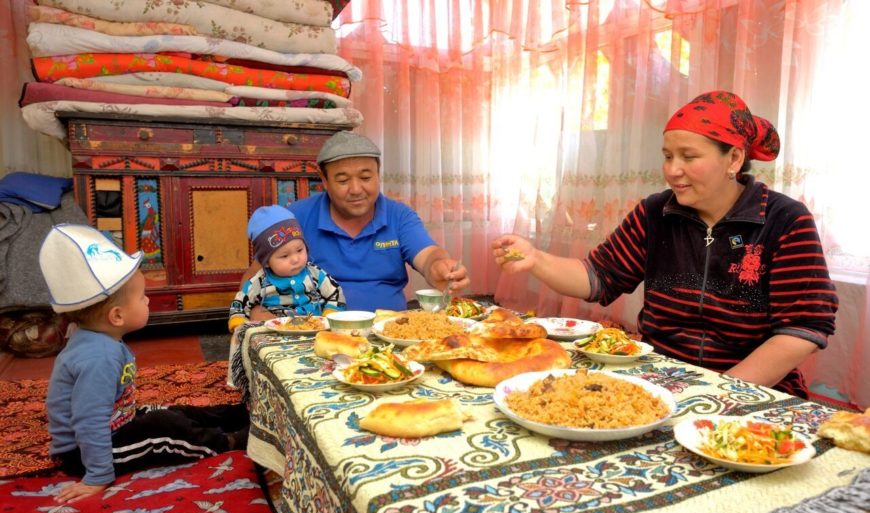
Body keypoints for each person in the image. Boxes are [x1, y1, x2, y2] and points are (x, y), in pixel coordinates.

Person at [492, 91, 838, 398]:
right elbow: (597, 276)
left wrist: (723, 391)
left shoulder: (784, 220)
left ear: (733, 159)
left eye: (688, 157)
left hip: (753, 390)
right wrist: (536, 259)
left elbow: (802, 328)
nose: (673, 170)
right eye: (668, 156)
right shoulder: (656, 211)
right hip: (660, 379)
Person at [39, 224, 249, 504]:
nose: (147, 300)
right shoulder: (98, 358)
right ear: (116, 316)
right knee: (165, 427)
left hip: (116, 422)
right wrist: (97, 475)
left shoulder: (100, 339)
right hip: (87, 452)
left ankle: (237, 413)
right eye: (141, 297)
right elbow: (89, 422)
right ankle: (230, 441)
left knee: (175, 411)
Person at [243, 131, 469, 315]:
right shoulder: (295, 217)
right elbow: (255, 276)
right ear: (325, 181)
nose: (356, 189)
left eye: (365, 177)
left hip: (387, 332)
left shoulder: (399, 216)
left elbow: (428, 255)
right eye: (342, 180)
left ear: (378, 174)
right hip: (313, 335)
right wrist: (256, 312)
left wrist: (439, 267)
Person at [228, 205, 345, 331]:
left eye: (300, 250)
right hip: (276, 334)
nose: (295, 259)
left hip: (316, 329)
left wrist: (329, 316)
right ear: (266, 262)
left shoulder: (315, 274)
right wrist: (238, 322)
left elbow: (335, 292)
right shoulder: (259, 282)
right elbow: (240, 303)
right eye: (284, 256)